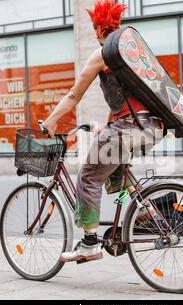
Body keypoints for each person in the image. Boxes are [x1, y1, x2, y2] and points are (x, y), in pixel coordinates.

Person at [40, 0, 163, 263]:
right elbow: (125, 99)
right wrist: (106, 128)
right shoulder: (130, 51)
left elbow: (74, 96)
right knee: (112, 164)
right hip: (152, 126)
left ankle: (89, 244)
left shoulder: (102, 55)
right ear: (116, 26)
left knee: (87, 176)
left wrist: (50, 121)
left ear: (98, 30)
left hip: (129, 128)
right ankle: (145, 209)